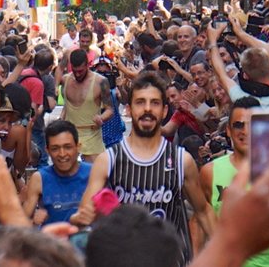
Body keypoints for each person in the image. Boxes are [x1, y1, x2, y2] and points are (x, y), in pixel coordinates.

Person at [71, 72, 217, 265]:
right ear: (129, 109)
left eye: (154, 103)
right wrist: (81, 216)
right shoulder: (108, 160)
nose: (147, 109)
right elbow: (85, 212)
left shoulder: (182, 160)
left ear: (165, 111)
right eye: (140, 102)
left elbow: (203, 212)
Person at [199, 96, 269, 267]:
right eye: (239, 125)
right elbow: (200, 219)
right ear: (228, 130)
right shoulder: (210, 172)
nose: (245, 131)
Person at [23, 120, 92, 224]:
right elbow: (22, 223)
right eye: (55, 149)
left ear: (78, 147)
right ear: (48, 150)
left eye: (67, 147)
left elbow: (110, 213)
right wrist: (33, 220)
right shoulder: (40, 179)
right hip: (51, 239)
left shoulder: (94, 173)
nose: (62, 154)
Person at [60, 49, 113, 163]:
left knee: (95, 175)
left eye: (81, 71)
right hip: (70, 136)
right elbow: (66, 106)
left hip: (92, 136)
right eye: (75, 71)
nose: (77, 74)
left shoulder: (100, 81)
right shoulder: (66, 80)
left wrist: (101, 118)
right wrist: (60, 120)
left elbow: (109, 109)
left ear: (88, 65)